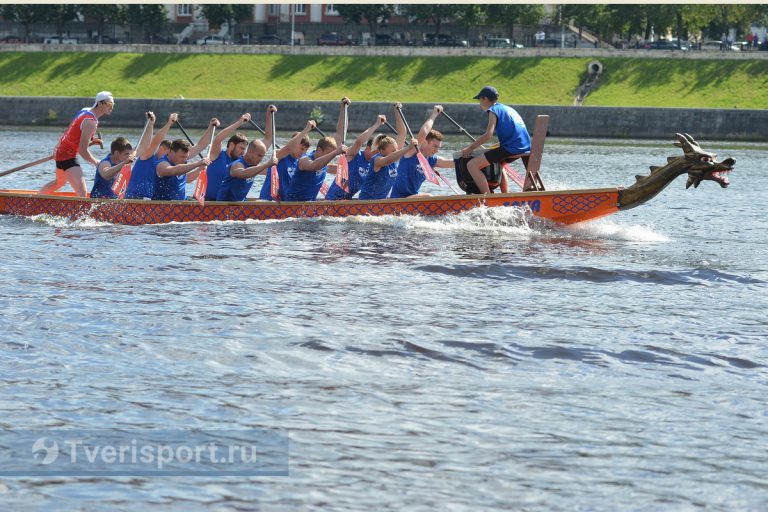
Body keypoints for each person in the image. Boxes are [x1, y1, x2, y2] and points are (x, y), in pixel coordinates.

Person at [40, 91, 114, 196]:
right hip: (67, 155)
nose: (111, 107)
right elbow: (82, 151)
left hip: (60, 150)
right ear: (100, 103)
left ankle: (37, 199)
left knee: (59, 182)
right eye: (109, 104)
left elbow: (73, 134)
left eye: (113, 104)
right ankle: (80, 212)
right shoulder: (90, 122)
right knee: (82, 193)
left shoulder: (85, 110)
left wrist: (91, 141)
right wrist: (96, 162)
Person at [461, 86, 530, 194]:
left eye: (480, 99)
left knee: (472, 165)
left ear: (485, 98)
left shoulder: (492, 110)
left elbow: (488, 135)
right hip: (526, 147)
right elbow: (515, 133)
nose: (479, 103)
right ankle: (505, 195)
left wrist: (469, 149)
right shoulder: (508, 109)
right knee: (499, 163)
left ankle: (488, 198)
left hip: (512, 148)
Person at [285, 98, 350, 202]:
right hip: (292, 205)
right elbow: (314, 166)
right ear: (319, 150)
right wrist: (336, 152)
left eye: (332, 153)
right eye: (329, 153)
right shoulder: (304, 160)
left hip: (309, 208)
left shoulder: (325, 164)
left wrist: (343, 108)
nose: (331, 156)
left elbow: (340, 134)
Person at [390, 105, 455, 199]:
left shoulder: (432, 160)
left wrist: (478, 157)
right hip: (398, 199)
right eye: (435, 146)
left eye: (438, 148)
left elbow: (453, 163)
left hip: (412, 198)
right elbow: (424, 132)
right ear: (425, 141)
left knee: (430, 196)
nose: (437, 150)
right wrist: (434, 114)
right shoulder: (411, 152)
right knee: (429, 196)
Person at [325, 113, 390, 201]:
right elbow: (359, 141)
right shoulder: (354, 154)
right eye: (376, 150)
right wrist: (377, 124)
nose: (378, 154)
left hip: (347, 201)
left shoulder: (373, 165)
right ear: (368, 148)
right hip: (332, 200)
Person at [257, 106, 316, 201]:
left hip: (285, 202)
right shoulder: (278, 155)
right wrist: (306, 129)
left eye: (305, 150)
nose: (303, 152)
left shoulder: (301, 162)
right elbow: (289, 147)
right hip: (268, 200)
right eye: (301, 148)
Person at [152, 118, 219, 201]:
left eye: (186, 157)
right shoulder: (162, 164)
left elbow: (200, 145)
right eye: (182, 157)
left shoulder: (182, 158)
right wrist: (197, 164)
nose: (185, 160)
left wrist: (211, 127)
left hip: (181, 205)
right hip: (162, 207)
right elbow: (173, 171)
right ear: (171, 152)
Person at [123, 112, 178, 199]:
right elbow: (155, 142)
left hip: (150, 199)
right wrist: (169, 123)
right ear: (162, 148)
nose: (170, 155)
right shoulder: (147, 156)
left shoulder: (165, 163)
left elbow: (197, 147)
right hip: (134, 198)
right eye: (169, 152)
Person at [203, 113, 252, 201]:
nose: (243, 152)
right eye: (241, 148)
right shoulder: (216, 155)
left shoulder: (242, 162)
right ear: (232, 145)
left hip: (231, 205)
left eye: (245, 149)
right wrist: (239, 122)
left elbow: (266, 141)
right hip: (210, 203)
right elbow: (218, 139)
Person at [359, 135, 417, 200]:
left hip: (382, 202)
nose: (396, 152)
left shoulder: (395, 160)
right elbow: (388, 160)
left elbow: (402, 133)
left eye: (397, 149)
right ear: (382, 151)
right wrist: (409, 147)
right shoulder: (376, 160)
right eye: (393, 151)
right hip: (367, 201)